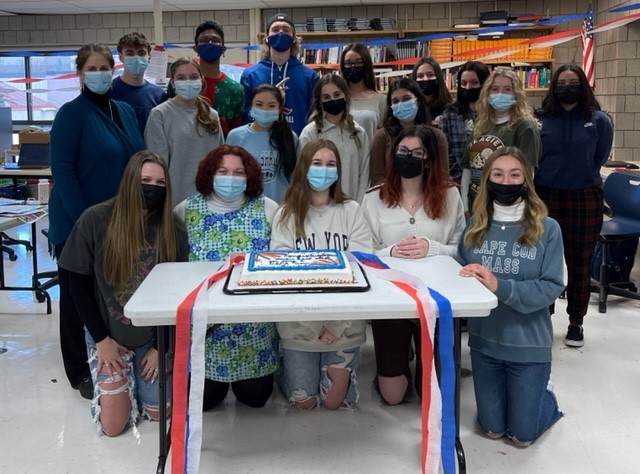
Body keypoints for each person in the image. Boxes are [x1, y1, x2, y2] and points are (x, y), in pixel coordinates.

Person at [57, 151, 188, 436]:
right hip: (108, 332)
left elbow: (177, 293)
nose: (152, 188)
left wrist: (162, 348)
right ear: (129, 181)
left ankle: (139, 386)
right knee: (114, 426)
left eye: (159, 183)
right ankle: (111, 386)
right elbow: (76, 285)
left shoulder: (173, 228)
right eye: (145, 180)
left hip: (153, 337)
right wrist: (102, 340)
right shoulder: (96, 219)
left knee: (158, 413)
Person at [49, 42, 145, 400]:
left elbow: (136, 163)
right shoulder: (70, 114)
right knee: (77, 296)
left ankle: (112, 354)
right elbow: (62, 170)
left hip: (119, 220)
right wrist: (86, 223)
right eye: (92, 69)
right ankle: (78, 371)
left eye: (105, 68)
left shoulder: (123, 110)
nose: (100, 75)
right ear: (79, 74)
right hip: (78, 221)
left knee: (107, 294)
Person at [457, 146, 564, 447]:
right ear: (487, 180)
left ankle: (547, 392)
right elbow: (459, 270)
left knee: (521, 437)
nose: (506, 181)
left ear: (526, 181)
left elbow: (551, 287)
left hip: (528, 345)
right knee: (491, 429)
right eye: (498, 174)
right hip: (485, 345)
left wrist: (499, 286)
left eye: (515, 174)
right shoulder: (474, 227)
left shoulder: (547, 229)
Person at [362, 125, 464, 405]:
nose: (408, 157)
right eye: (402, 151)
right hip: (391, 298)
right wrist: (390, 252)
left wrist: (434, 248)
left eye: (417, 153)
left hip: (436, 297)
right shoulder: (373, 198)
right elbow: (362, 253)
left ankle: (422, 360)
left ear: (429, 159)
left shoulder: (450, 195)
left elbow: (462, 250)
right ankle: (395, 364)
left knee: (433, 394)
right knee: (393, 397)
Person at [174, 145, 279, 410]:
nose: (230, 178)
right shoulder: (186, 210)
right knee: (205, 403)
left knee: (256, 400)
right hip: (205, 330)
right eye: (223, 171)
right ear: (210, 174)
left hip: (253, 330)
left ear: (249, 176)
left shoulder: (268, 209)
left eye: (238, 172)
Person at [271, 139, 372, 409]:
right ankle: (285, 368)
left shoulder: (351, 211)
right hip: (299, 326)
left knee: (333, 402)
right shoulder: (285, 215)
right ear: (304, 167)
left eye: (331, 165)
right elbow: (283, 277)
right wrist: (315, 324)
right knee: (305, 401)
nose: (324, 170)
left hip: (345, 325)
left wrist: (335, 324)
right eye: (317, 164)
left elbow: (360, 270)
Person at [535, 64, 614, 348]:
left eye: (573, 82)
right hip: (545, 196)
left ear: (583, 85)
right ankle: (542, 318)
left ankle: (575, 322)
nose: (567, 87)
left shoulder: (599, 120)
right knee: (543, 261)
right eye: (561, 82)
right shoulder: (539, 119)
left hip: (584, 195)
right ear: (553, 87)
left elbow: (600, 157)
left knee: (579, 262)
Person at [145, 57, 224, 207]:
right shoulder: (160, 115)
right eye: (181, 78)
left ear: (201, 80)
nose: (188, 81)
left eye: (193, 77)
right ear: (173, 82)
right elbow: (157, 167)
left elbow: (219, 159)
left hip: (209, 201)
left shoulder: (211, 115)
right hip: (174, 202)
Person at [461, 66, 540, 214]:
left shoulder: (525, 127)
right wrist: (464, 205)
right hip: (476, 205)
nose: (500, 94)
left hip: (506, 208)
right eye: (495, 89)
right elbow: (467, 168)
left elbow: (528, 174)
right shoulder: (480, 125)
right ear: (487, 93)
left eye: (507, 89)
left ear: (516, 94)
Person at [240, 13, 318, 135]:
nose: (280, 33)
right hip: (259, 144)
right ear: (267, 38)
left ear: (294, 38)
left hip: (298, 144)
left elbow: (314, 116)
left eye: (286, 30)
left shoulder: (309, 76)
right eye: (275, 30)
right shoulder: (251, 75)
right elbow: (245, 116)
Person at [299, 73, 370, 202]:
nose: (333, 100)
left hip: (352, 207)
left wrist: (358, 207)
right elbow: (302, 175)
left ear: (346, 96)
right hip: (318, 207)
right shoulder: (310, 133)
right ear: (319, 102)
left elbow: (364, 174)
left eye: (337, 95)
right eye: (326, 97)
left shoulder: (359, 133)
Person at [226, 84, 298, 203]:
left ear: (280, 109)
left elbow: (295, 176)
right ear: (251, 106)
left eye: (271, 106)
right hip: (245, 207)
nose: (265, 110)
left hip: (280, 207)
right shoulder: (235, 136)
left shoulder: (290, 138)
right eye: (259, 104)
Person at [370, 78, 449, 186]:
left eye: (406, 99)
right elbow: (377, 180)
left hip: (430, 198)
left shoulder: (437, 136)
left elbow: (442, 177)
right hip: (390, 198)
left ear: (418, 101)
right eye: (395, 101)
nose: (401, 104)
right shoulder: (382, 136)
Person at [439, 61, 490, 183]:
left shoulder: (494, 114)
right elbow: (444, 151)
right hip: (458, 179)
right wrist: (459, 178)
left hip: (490, 180)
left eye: (474, 83)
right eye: (463, 83)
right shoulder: (449, 113)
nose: (468, 87)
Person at [111, 32, 167, 135]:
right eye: (130, 53)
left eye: (141, 53)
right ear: (120, 57)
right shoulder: (108, 91)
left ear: (149, 57)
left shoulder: (159, 95)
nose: (136, 58)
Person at [339, 43, 387, 141]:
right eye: (348, 63)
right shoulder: (336, 99)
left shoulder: (381, 100)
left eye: (358, 62)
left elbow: (384, 138)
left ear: (366, 65)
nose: (353, 67)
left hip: (370, 155)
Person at [410, 57, 452, 123]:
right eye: (420, 76)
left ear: (438, 78)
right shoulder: (410, 109)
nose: (425, 79)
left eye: (430, 75)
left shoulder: (450, 109)